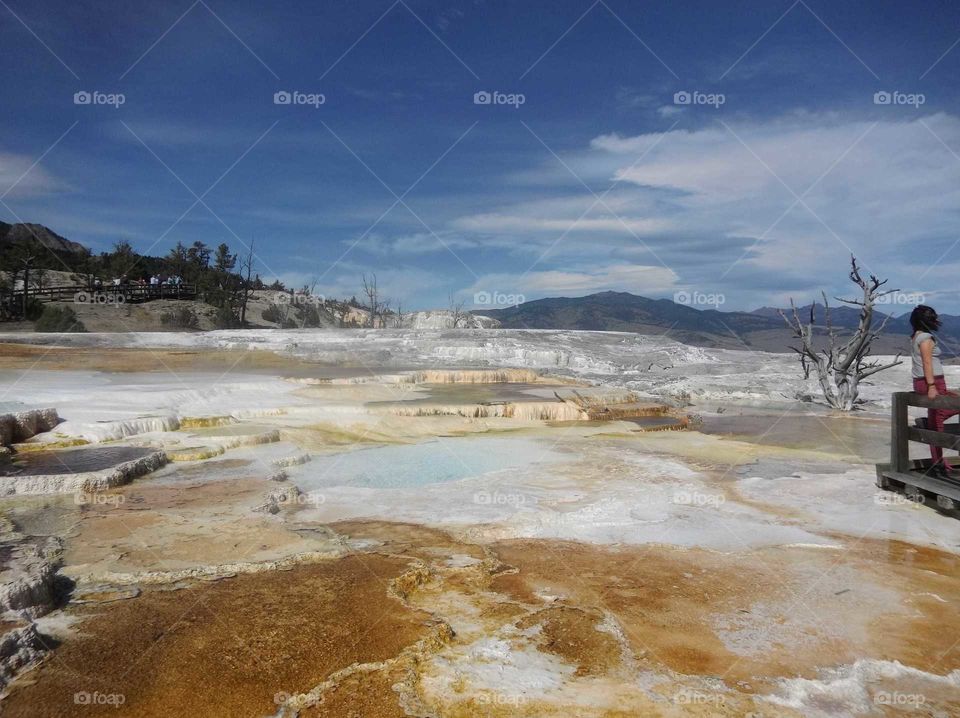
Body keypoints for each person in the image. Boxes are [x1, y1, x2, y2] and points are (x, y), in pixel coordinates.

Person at [911, 305, 958, 478]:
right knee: (938, 419)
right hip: (932, 382)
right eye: (934, 317)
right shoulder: (925, 338)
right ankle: (926, 425)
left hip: (926, 381)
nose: (937, 320)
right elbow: (927, 363)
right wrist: (931, 386)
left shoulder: (917, 335)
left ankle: (939, 465)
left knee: (935, 422)